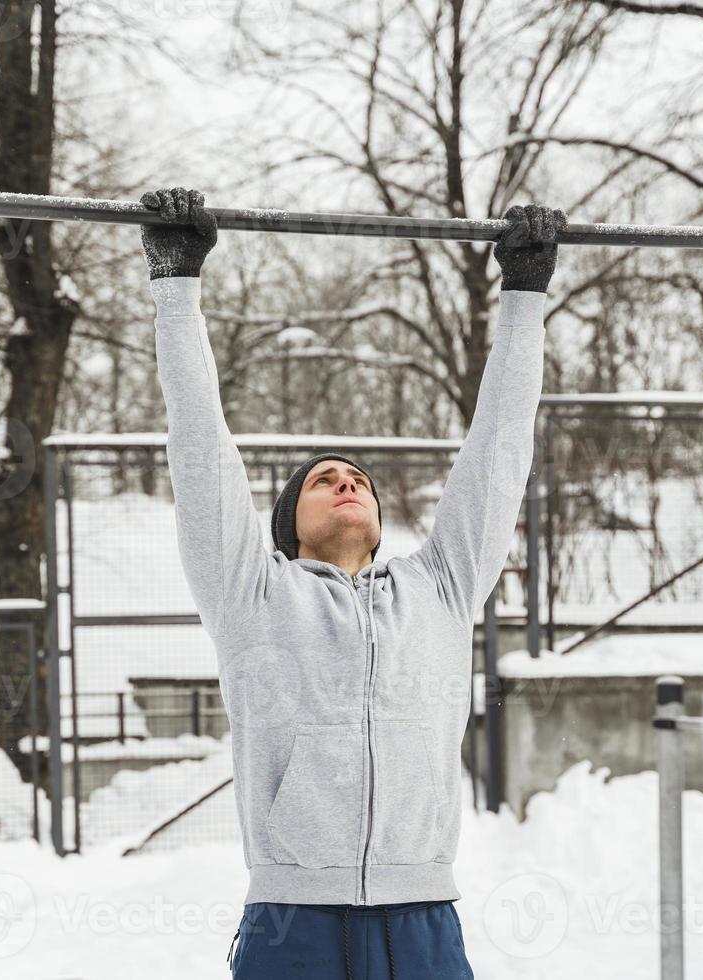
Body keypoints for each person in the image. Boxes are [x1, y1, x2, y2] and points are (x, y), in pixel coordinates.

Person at [141, 186, 564, 979]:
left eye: (356, 477)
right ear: (285, 523)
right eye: (321, 479)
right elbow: (199, 448)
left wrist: (524, 295)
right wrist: (177, 285)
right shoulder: (252, 595)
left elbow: (500, 451)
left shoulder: (439, 588)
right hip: (292, 922)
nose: (345, 483)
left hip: (423, 920)